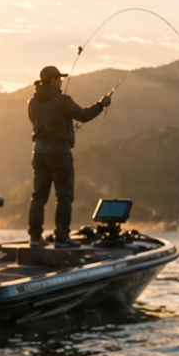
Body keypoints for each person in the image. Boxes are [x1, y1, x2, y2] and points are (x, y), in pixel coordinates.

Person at [27, 65, 111, 247]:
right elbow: (83, 115)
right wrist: (101, 105)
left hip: (39, 152)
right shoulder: (62, 100)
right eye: (59, 78)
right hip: (59, 153)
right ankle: (62, 237)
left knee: (38, 196)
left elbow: (35, 121)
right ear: (53, 80)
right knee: (64, 196)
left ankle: (34, 238)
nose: (61, 81)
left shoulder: (32, 102)